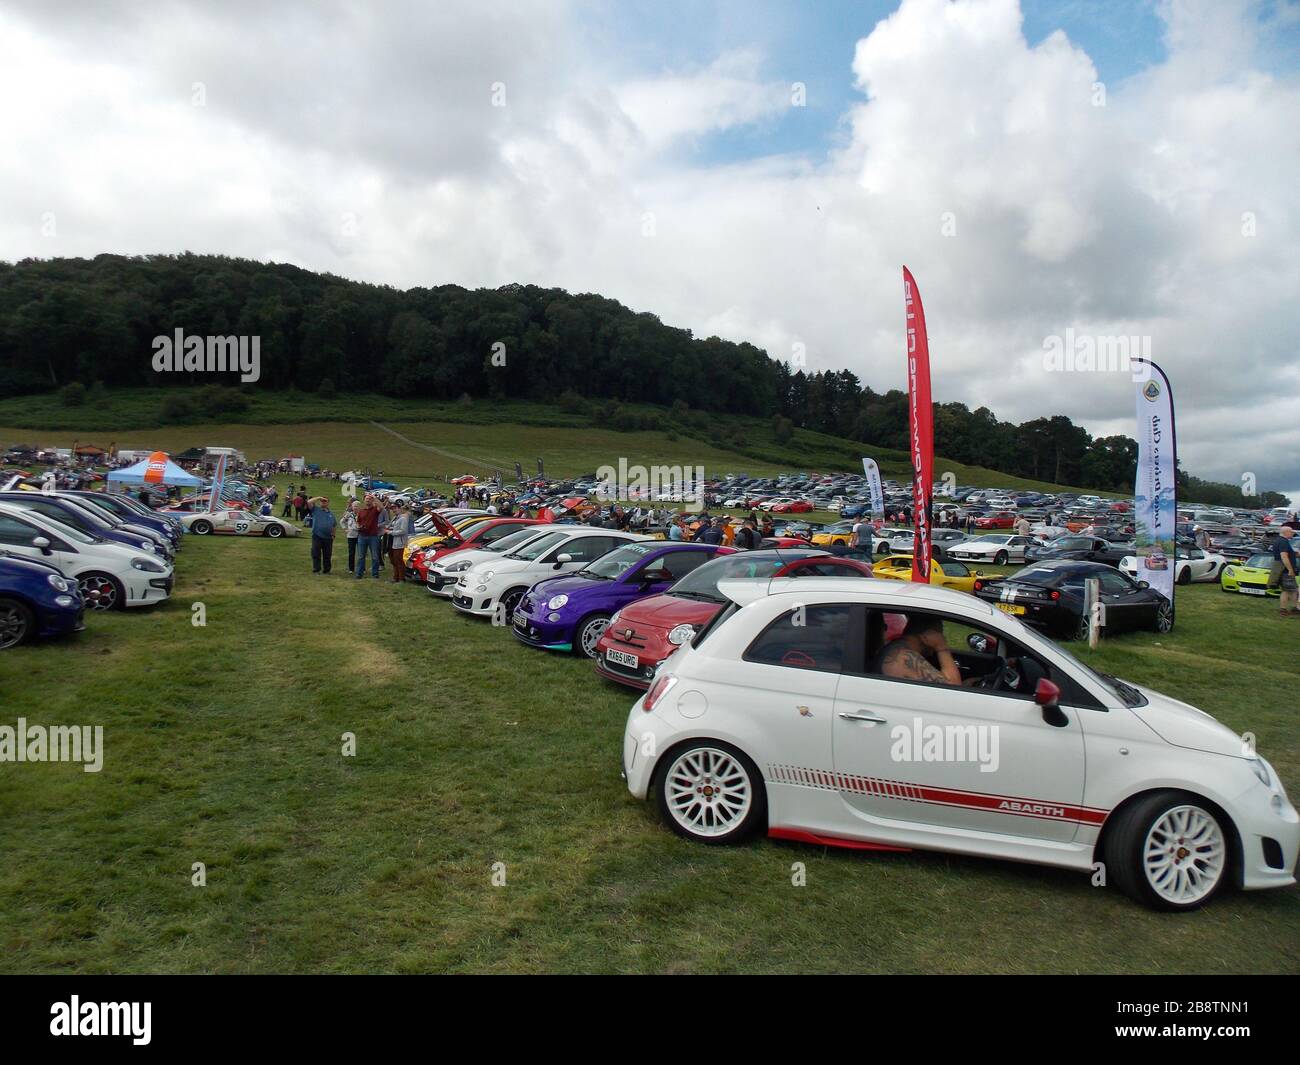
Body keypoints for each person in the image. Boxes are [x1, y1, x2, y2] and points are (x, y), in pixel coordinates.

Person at [876, 615, 963, 685]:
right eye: (940, 636)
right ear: (928, 635)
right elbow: (954, 687)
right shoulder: (903, 656)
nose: (941, 639)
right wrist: (942, 648)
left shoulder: (898, 648)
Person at [354, 494, 383, 578]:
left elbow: (381, 507)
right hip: (362, 536)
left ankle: (375, 574)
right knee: (361, 556)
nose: (368, 500)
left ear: (372, 501)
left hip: (373, 536)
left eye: (369, 499)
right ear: (364, 501)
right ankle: (359, 574)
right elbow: (358, 521)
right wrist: (358, 526)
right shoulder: (361, 511)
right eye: (366, 499)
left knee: (374, 556)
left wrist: (374, 498)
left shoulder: (375, 510)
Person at [1272, 525, 1297, 618]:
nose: (1292, 533)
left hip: (1281, 570)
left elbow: (1286, 554)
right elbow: (1284, 556)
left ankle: (1284, 610)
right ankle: (1294, 609)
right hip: (1286, 571)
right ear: (1286, 532)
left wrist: (1295, 554)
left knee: (1286, 590)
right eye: (1291, 531)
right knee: (1294, 590)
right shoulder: (1284, 542)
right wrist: (1290, 569)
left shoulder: (1279, 541)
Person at [308, 497, 337, 574]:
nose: (323, 502)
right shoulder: (315, 510)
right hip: (317, 535)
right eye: (322, 501)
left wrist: (333, 535)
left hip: (328, 537)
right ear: (319, 502)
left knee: (327, 554)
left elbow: (334, 525)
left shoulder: (331, 514)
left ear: (328, 503)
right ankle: (316, 569)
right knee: (316, 553)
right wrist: (318, 497)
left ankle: (327, 570)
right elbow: (309, 502)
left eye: (325, 501)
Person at [387, 503, 412, 582]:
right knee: (394, 560)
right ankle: (396, 577)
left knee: (399, 560)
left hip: (399, 542)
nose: (394, 510)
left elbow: (403, 531)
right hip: (393, 541)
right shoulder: (395, 518)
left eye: (395, 508)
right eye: (392, 509)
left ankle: (401, 578)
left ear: (399, 508)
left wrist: (390, 532)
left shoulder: (403, 518)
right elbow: (391, 527)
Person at [341, 500, 359, 572]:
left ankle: (362, 568)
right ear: (352, 507)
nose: (356, 508)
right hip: (351, 536)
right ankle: (351, 568)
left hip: (360, 535)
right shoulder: (349, 514)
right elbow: (342, 521)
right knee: (351, 552)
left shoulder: (361, 514)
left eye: (357, 506)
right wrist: (345, 529)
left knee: (361, 553)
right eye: (354, 506)